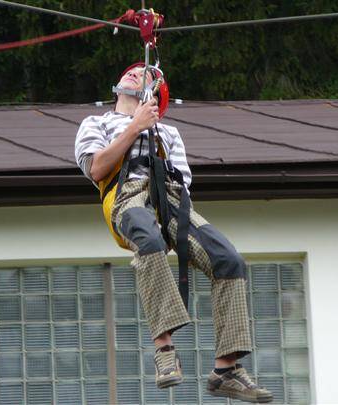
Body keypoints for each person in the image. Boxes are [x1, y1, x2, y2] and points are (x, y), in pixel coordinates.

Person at [74, 64, 273, 403]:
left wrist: (182, 229)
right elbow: (96, 168)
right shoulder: (96, 123)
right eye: (133, 72)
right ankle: (164, 349)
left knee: (229, 260)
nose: (136, 74)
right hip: (126, 193)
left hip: (171, 199)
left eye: (146, 75)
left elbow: (183, 182)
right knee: (148, 241)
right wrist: (135, 127)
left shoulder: (168, 133)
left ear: (155, 96)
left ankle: (226, 369)